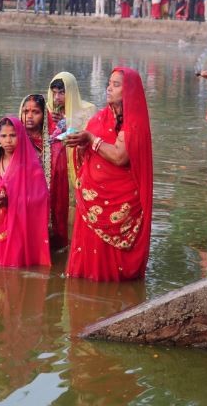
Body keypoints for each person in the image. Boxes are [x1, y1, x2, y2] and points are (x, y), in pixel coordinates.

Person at [64, 67, 153, 282]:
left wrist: (91, 140)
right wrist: (80, 143)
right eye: (109, 83)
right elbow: (86, 153)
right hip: (92, 198)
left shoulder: (135, 122)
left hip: (120, 201)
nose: (108, 88)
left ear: (129, 90)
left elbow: (120, 157)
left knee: (112, 270)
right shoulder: (99, 119)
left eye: (116, 84)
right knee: (86, 272)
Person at [0, 117, 51, 268]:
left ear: (21, 137)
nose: (8, 141)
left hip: (20, 225)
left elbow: (41, 199)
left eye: (13, 135)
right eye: (3, 136)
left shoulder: (31, 167)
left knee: (15, 268)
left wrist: (11, 198)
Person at [19, 94, 69, 250]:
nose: (29, 116)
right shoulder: (12, 139)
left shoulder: (55, 144)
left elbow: (60, 179)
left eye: (35, 112)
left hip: (46, 199)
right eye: (26, 111)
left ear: (44, 116)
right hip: (22, 199)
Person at [46, 72, 97, 186]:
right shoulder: (47, 110)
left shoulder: (87, 110)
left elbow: (89, 137)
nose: (57, 98)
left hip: (78, 161)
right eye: (54, 93)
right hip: (55, 161)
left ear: (71, 92)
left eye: (62, 93)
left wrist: (66, 123)